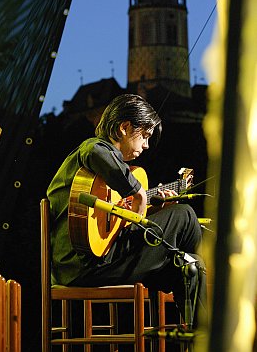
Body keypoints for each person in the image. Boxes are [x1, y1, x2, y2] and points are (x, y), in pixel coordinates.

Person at [47, 93, 207, 326]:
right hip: (87, 264)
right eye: (144, 136)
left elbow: (124, 223)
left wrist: (155, 208)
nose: (146, 145)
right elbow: (96, 153)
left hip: (96, 262)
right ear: (124, 127)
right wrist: (138, 193)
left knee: (188, 266)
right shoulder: (94, 148)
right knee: (185, 214)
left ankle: (202, 339)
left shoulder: (104, 176)